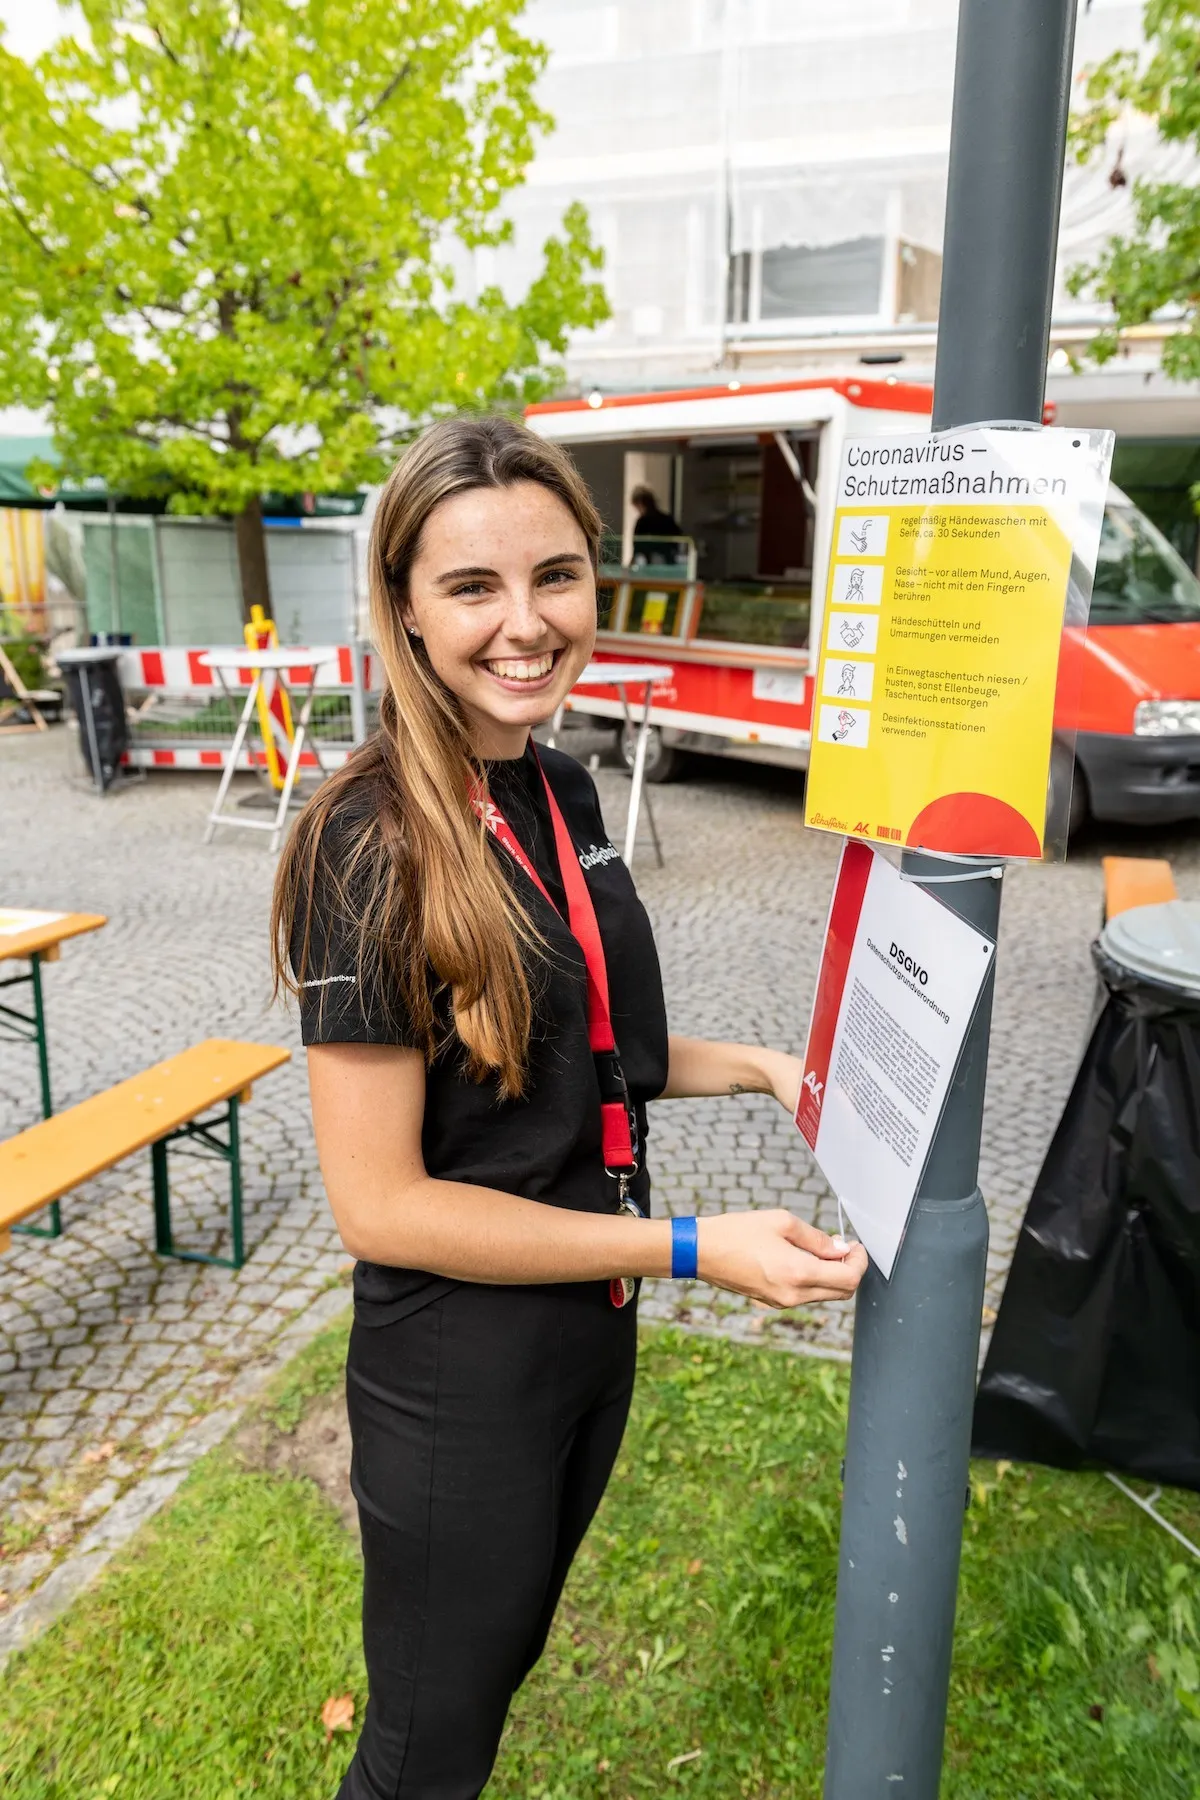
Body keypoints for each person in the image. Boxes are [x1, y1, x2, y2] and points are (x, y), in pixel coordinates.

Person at [271, 415, 867, 1800]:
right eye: (473, 586)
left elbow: (589, 1047)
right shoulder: (363, 839)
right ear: (407, 610)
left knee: (492, 1680)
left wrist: (769, 1068)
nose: (526, 623)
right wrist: (691, 1246)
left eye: (555, 575)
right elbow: (383, 1206)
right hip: (460, 1365)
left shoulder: (558, 782)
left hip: (588, 1331)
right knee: (424, 1757)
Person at [630, 483, 683, 563]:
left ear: (641, 504)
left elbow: (637, 547)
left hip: (649, 564)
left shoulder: (642, 522)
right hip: (667, 563)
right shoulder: (667, 519)